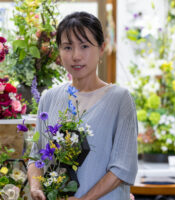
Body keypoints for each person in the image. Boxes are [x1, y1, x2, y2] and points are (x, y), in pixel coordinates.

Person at [27, 12, 138, 200]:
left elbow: (122, 168)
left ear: (101, 48)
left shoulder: (120, 100)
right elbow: (36, 155)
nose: (76, 56)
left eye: (85, 46)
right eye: (67, 47)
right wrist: (36, 186)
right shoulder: (49, 98)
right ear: (59, 51)